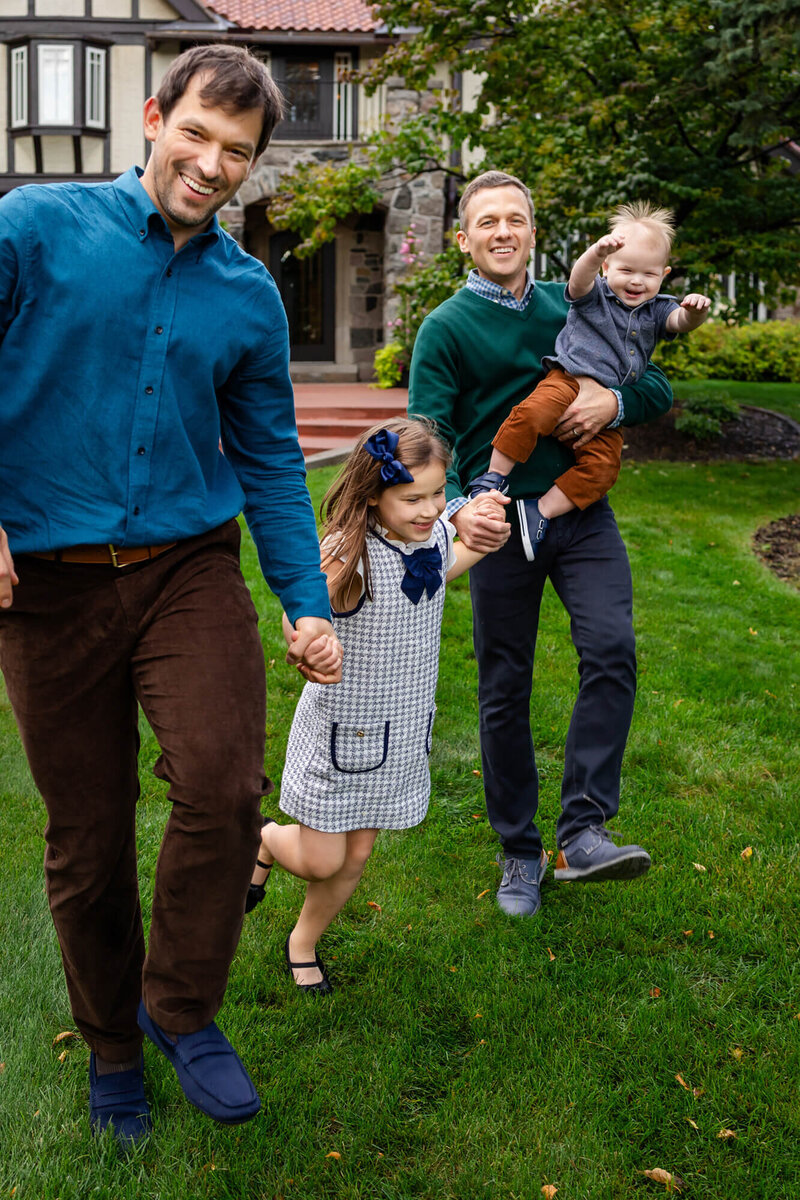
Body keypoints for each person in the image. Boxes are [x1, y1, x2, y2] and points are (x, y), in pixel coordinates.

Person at [0, 44, 341, 1144]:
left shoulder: (246, 295)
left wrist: (303, 600)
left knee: (223, 785)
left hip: (185, 571)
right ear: (153, 116)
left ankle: (177, 1007)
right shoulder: (35, 229)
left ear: (253, 165)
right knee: (88, 839)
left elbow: (271, 460)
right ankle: (110, 1052)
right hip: (47, 593)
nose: (209, 164)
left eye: (235, 152)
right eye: (194, 134)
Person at [409, 170, 675, 919]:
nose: (503, 232)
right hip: (502, 526)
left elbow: (656, 384)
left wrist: (612, 398)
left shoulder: (581, 299)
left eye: (515, 220)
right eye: (487, 221)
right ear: (464, 239)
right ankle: (520, 851)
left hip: (582, 518)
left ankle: (584, 830)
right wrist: (461, 510)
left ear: (533, 232)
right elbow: (428, 434)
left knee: (612, 649)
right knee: (504, 688)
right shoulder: (447, 328)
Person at [245, 419, 504, 991]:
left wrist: (473, 548)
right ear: (372, 494)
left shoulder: (431, 536)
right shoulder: (350, 552)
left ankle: (303, 942)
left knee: (355, 855)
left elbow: (436, 575)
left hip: (400, 728)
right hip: (342, 733)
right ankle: (262, 839)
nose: (431, 508)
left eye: (438, 493)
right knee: (319, 859)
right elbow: (301, 604)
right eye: (412, 498)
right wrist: (308, 641)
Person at [476, 202, 710, 557]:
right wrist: (594, 251)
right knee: (532, 414)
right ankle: (493, 477)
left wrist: (693, 314)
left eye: (648, 275)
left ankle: (539, 511)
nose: (635, 281)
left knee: (603, 469)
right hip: (567, 378)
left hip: (608, 397)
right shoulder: (595, 294)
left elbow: (678, 322)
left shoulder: (658, 308)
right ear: (607, 267)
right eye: (626, 269)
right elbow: (578, 279)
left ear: (663, 274)